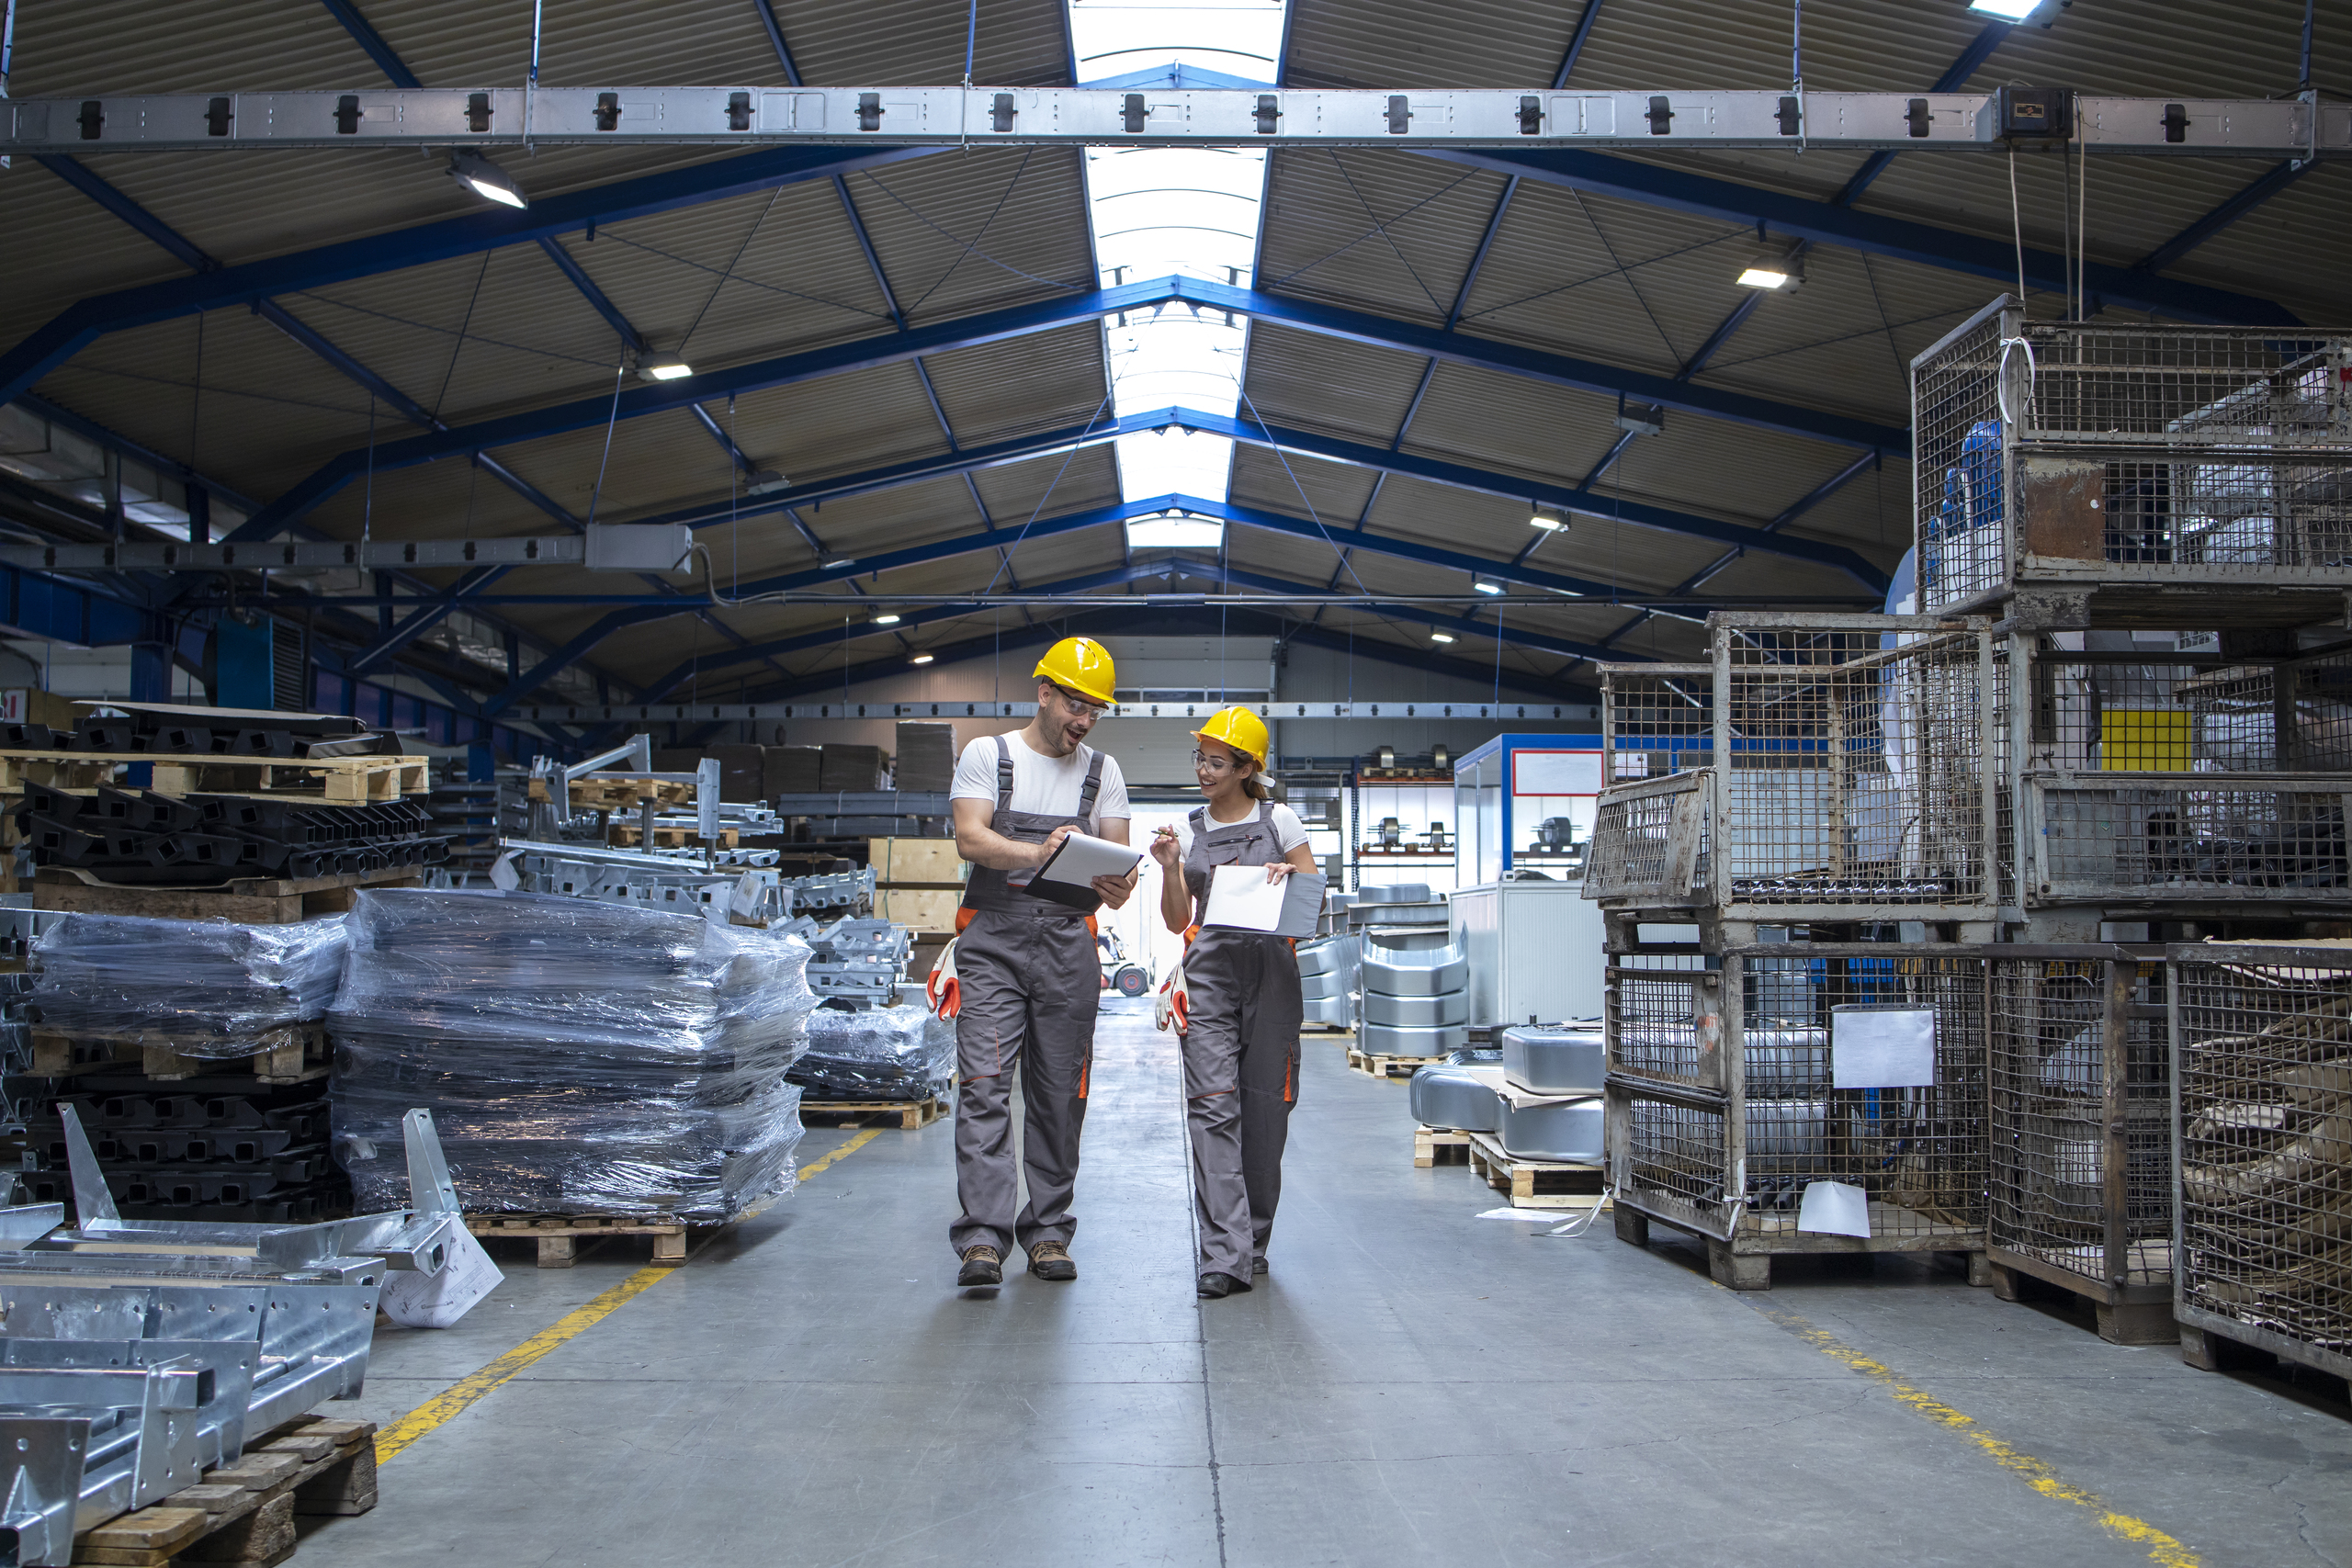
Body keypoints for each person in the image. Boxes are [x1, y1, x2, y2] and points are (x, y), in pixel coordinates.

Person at [938, 636, 1137, 1289]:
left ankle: (1048, 1230)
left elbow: (1116, 859)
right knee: (986, 1084)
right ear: (1044, 691)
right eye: (1075, 704)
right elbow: (970, 836)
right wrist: (1037, 853)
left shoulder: (1101, 771)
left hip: (1067, 944)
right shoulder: (987, 755)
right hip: (993, 943)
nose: (1083, 720)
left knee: (1058, 1094)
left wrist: (1120, 884)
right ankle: (983, 1240)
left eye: (1095, 710)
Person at [1148, 707, 1318, 1299]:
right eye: (1200, 758)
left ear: (1248, 768)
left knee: (1267, 1113)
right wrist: (1171, 869)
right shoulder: (1189, 829)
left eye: (1216, 762)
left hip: (1272, 975)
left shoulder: (1283, 822)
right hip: (1211, 977)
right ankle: (1223, 1254)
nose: (1203, 770)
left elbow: (1311, 905)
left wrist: (1284, 876)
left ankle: (1252, 1241)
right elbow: (1176, 921)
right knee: (1213, 1108)